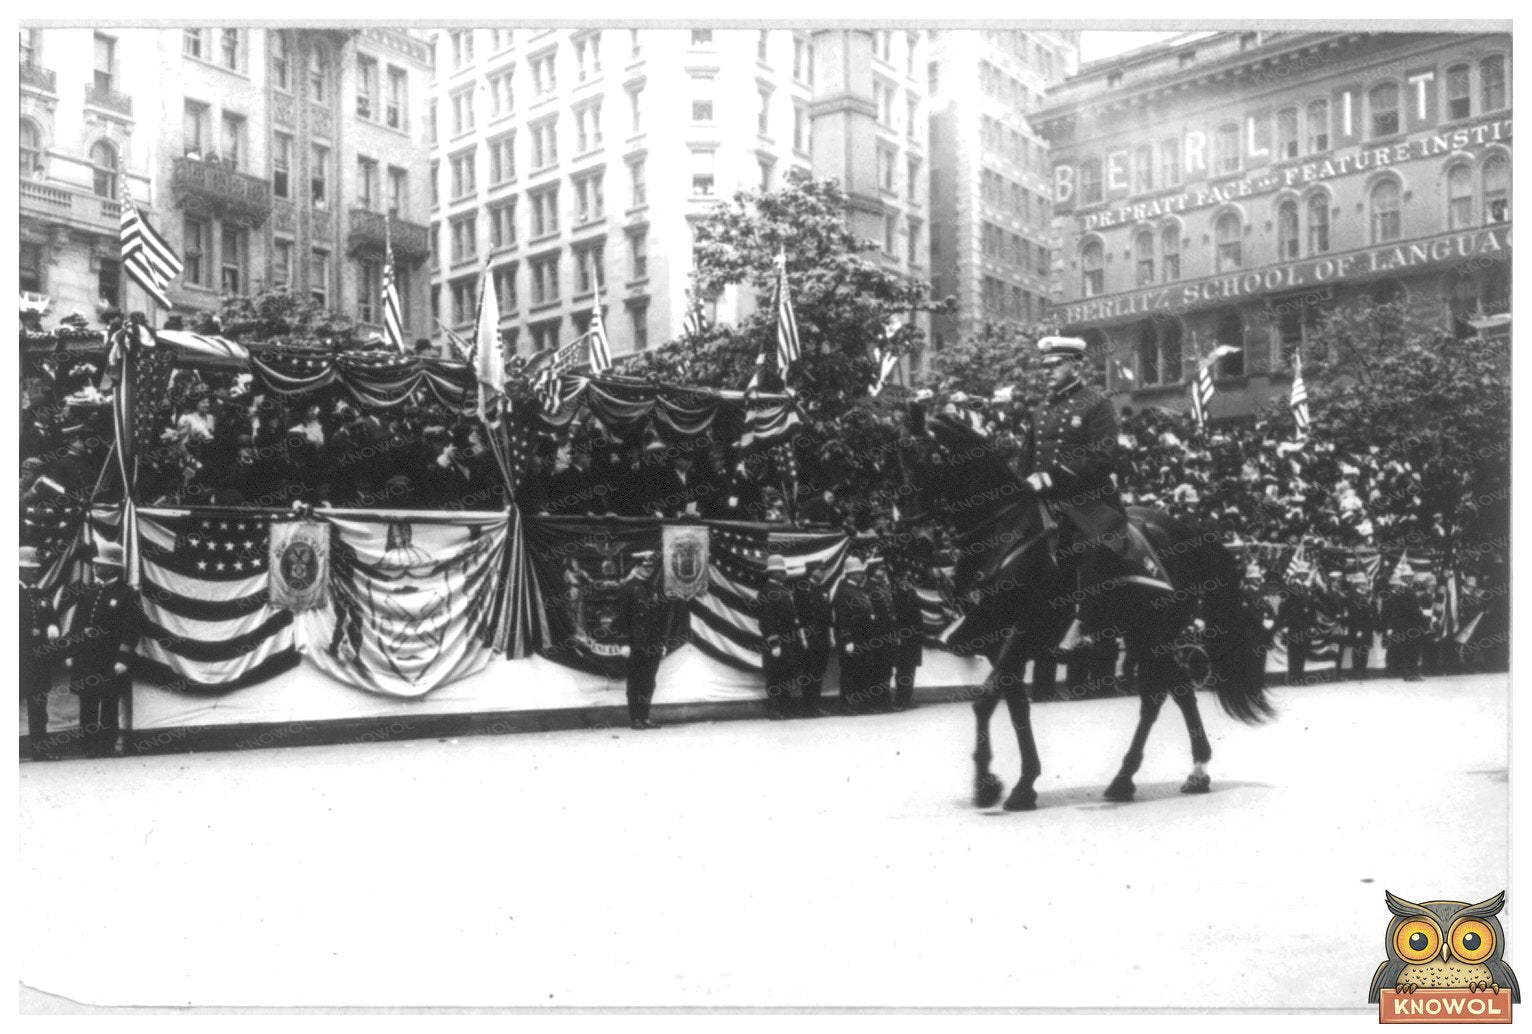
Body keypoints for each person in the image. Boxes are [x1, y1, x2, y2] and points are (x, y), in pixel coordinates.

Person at [1019, 336, 1130, 651]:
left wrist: (1052, 477)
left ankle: (1088, 622)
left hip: (1087, 501)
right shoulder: (1040, 410)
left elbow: (1103, 456)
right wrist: (1021, 485)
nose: (1047, 370)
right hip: (1045, 503)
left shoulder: (1096, 402)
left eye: (1055, 364)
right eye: (1044, 366)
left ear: (1076, 367)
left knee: (1095, 547)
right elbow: (1026, 461)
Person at [64, 542, 142, 757]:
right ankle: (88, 746)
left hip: (110, 658)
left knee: (109, 702)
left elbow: (132, 628)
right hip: (86, 657)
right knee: (87, 702)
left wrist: (123, 658)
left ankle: (108, 745)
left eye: (100, 564)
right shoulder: (88, 591)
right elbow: (76, 625)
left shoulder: (127, 594)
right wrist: (71, 652)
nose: (95, 567)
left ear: (112, 567)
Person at [750, 554, 803, 720]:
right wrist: (774, 643)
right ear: (773, 573)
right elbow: (767, 620)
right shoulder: (767, 592)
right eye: (781, 571)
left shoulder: (782, 590)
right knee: (775, 677)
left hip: (788, 641)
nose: (784, 574)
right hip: (777, 642)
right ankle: (774, 709)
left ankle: (785, 708)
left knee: (785, 676)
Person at [619, 551, 668, 730]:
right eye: (645, 567)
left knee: (649, 681)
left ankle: (645, 716)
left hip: (652, 643)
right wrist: (624, 642)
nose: (648, 570)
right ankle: (635, 718)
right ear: (637, 567)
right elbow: (622, 618)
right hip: (636, 644)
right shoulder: (628, 588)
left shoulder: (651, 588)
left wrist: (661, 642)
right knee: (635, 681)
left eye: (650, 567)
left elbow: (657, 619)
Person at [20, 546, 60, 760]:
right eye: (29, 568)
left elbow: (52, 619)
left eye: (35, 567)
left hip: (38, 661)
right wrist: (29, 632)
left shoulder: (42, 594)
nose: (34, 571)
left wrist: (53, 628)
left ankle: (40, 749)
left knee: (38, 707)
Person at [832, 556, 876, 715]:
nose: (861, 575)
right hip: (852, 638)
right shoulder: (843, 592)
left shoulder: (858, 590)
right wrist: (847, 639)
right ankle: (847, 705)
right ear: (850, 574)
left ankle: (862, 704)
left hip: (863, 637)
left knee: (863, 671)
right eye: (858, 573)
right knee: (850, 673)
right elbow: (841, 618)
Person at [793, 561, 834, 718]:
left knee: (819, 671)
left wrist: (831, 636)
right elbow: (798, 616)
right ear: (811, 571)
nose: (823, 572)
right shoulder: (802, 589)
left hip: (823, 636)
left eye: (824, 570)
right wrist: (803, 638)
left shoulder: (823, 589)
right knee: (809, 671)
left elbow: (828, 615)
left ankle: (815, 705)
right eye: (820, 570)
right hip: (809, 636)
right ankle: (808, 707)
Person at [890, 563, 925, 710]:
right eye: (901, 576)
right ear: (895, 577)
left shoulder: (911, 591)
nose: (904, 578)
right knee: (902, 669)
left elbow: (919, 608)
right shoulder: (892, 592)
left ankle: (907, 698)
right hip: (902, 637)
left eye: (906, 575)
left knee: (910, 669)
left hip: (914, 637)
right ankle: (900, 700)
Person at [865, 560, 896, 711]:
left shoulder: (883, 587)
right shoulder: (868, 588)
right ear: (872, 570)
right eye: (880, 569)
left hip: (888, 634)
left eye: (884, 569)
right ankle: (876, 703)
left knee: (887, 669)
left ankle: (885, 702)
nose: (883, 571)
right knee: (876, 670)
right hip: (876, 635)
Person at [1381, 579, 1428, 682]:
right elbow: (1415, 612)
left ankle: (1410, 673)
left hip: (1404, 627)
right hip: (1412, 628)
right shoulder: (1409, 594)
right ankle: (1411, 673)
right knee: (1412, 652)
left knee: (1407, 652)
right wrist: (1425, 622)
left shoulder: (1400, 594)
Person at [1273, 581, 1318, 686]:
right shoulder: (1289, 594)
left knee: (1302, 653)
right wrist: (1284, 626)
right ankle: (1293, 677)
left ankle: (1300, 676)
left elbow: (1312, 611)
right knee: (1293, 654)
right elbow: (1283, 611)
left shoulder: (1307, 594)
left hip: (1304, 628)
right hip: (1293, 627)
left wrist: (1313, 625)